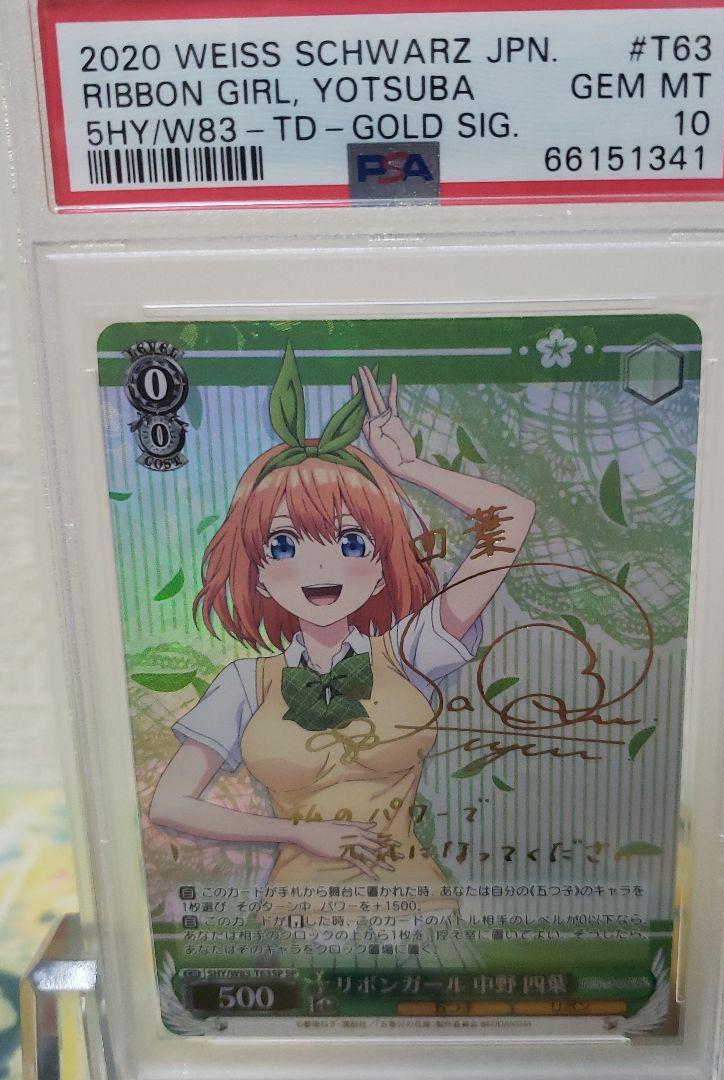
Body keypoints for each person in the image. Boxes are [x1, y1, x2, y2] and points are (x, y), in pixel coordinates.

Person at [149, 347, 534, 920]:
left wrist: (409, 468)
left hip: (416, 912)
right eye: (284, 545)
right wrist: (295, 833)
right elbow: (169, 804)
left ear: (381, 567)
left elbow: (511, 515)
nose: (321, 566)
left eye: (351, 542)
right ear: (257, 572)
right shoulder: (246, 683)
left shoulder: (411, 650)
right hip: (298, 919)